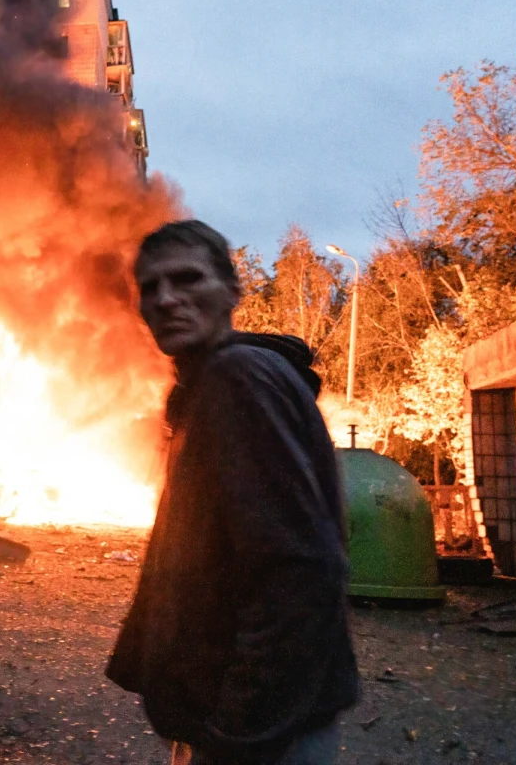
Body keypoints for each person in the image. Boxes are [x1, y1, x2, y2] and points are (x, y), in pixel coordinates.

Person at [107, 220, 359, 765]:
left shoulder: (237, 379)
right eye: (151, 287)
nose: (167, 298)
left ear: (231, 291)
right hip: (254, 724)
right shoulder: (224, 382)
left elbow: (302, 571)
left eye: (188, 279)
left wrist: (236, 734)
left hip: (259, 739)